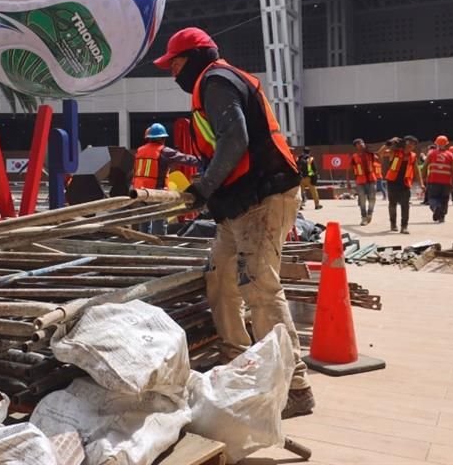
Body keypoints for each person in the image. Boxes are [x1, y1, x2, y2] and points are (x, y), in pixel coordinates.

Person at [152, 27, 313, 419]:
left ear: (192, 58)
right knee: (221, 279)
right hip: (237, 204)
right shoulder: (212, 83)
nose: (172, 73)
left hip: (261, 198)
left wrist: (204, 187)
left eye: (174, 63)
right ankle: (237, 360)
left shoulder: (217, 81)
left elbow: (235, 138)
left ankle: (296, 386)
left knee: (259, 287)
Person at [132, 123, 200, 234]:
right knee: (158, 220)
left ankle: (145, 243)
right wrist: (204, 161)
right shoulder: (163, 151)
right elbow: (185, 159)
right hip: (155, 191)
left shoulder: (140, 151)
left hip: (139, 191)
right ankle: (158, 245)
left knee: (143, 220)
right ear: (162, 138)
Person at [383, 135, 419, 234]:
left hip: (405, 183)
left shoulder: (413, 156)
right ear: (404, 143)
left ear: (414, 146)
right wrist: (388, 143)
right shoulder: (394, 152)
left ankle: (404, 226)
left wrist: (422, 184)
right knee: (392, 204)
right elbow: (380, 153)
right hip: (392, 182)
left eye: (412, 144)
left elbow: (416, 170)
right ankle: (393, 224)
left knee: (405, 205)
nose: (409, 145)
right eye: (408, 142)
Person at [422, 135, 453, 223]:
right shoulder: (450, 155)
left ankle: (436, 207)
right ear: (447, 144)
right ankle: (442, 217)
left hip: (433, 181)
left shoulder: (431, 153)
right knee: (444, 199)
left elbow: (425, 167)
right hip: (446, 182)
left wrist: (423, 178)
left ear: (436, 144)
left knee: (432, 198)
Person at [347, 138, 377, 225]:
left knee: (372, 199)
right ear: (356, 146)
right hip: (360, 181)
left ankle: (370, 213)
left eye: (362, 143)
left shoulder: (370, 154)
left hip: (371, 179)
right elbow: (349, 170)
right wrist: (348, 182)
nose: (362, 144)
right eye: (359, 143)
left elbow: (379, 155)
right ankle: (363, 217)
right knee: (362, 200)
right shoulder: (354, 157)